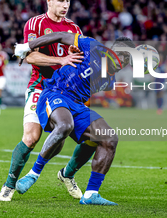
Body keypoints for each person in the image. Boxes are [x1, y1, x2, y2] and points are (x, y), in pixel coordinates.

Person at [13, 32, 135, 205]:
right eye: (122, 54)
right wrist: (27, 47)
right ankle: (33, 174)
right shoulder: (93, 47)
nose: (123, 60)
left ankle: (91, 194)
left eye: (128, 58)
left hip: (77, 104)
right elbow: (61, 35)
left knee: (109, 138)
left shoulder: (109, 80)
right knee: (64, 125)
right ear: (113, 50)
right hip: (56, 93)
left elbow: (85, 93)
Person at [0, 0, 94, 202]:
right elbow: (29, 56)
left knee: (91, 136)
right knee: (31, 137)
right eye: (61, 0)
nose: (65, 5)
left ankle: (67, 175)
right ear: (48, 1)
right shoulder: (36, 23)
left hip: (67, 92)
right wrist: (61, 60)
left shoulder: (74, 28)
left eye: (68, 1)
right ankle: (9, 185)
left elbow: (80, 59)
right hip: (40, 87)